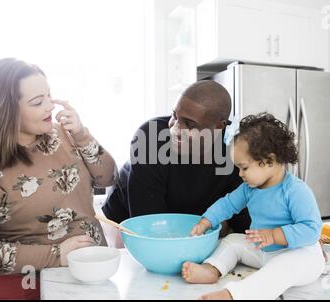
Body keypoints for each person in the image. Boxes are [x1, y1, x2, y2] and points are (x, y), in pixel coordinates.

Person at [0, 58, 117, 300]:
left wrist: (82, 134)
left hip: (87, 280)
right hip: (18, 290)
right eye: (38, 102)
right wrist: (56, 254)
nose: (50, 106)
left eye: (49, 95)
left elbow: (108, 177)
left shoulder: (63, 132)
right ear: (5, 111)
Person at [181, 113, 326, 300]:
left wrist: (274, 235)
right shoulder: (250, 188)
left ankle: (234, 295)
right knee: (232, 241)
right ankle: (212, 269)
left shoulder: (295, 190)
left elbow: (311, 229)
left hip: (299, 255)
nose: (240, 174)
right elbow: (228, 203)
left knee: (282, 268)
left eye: (244, 168)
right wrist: (206, 220)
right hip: (263, 252)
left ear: (269, 160)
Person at [102, 81, 251, 245]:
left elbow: (243, 225)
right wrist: (216, 224)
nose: (175, 128)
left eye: (190, 124)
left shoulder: (234, 154)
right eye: (174, 115)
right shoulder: (150, 138)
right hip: (125, 220)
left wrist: (220, 225)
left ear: (219, 126)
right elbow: (148, 225)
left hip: (189, 228)